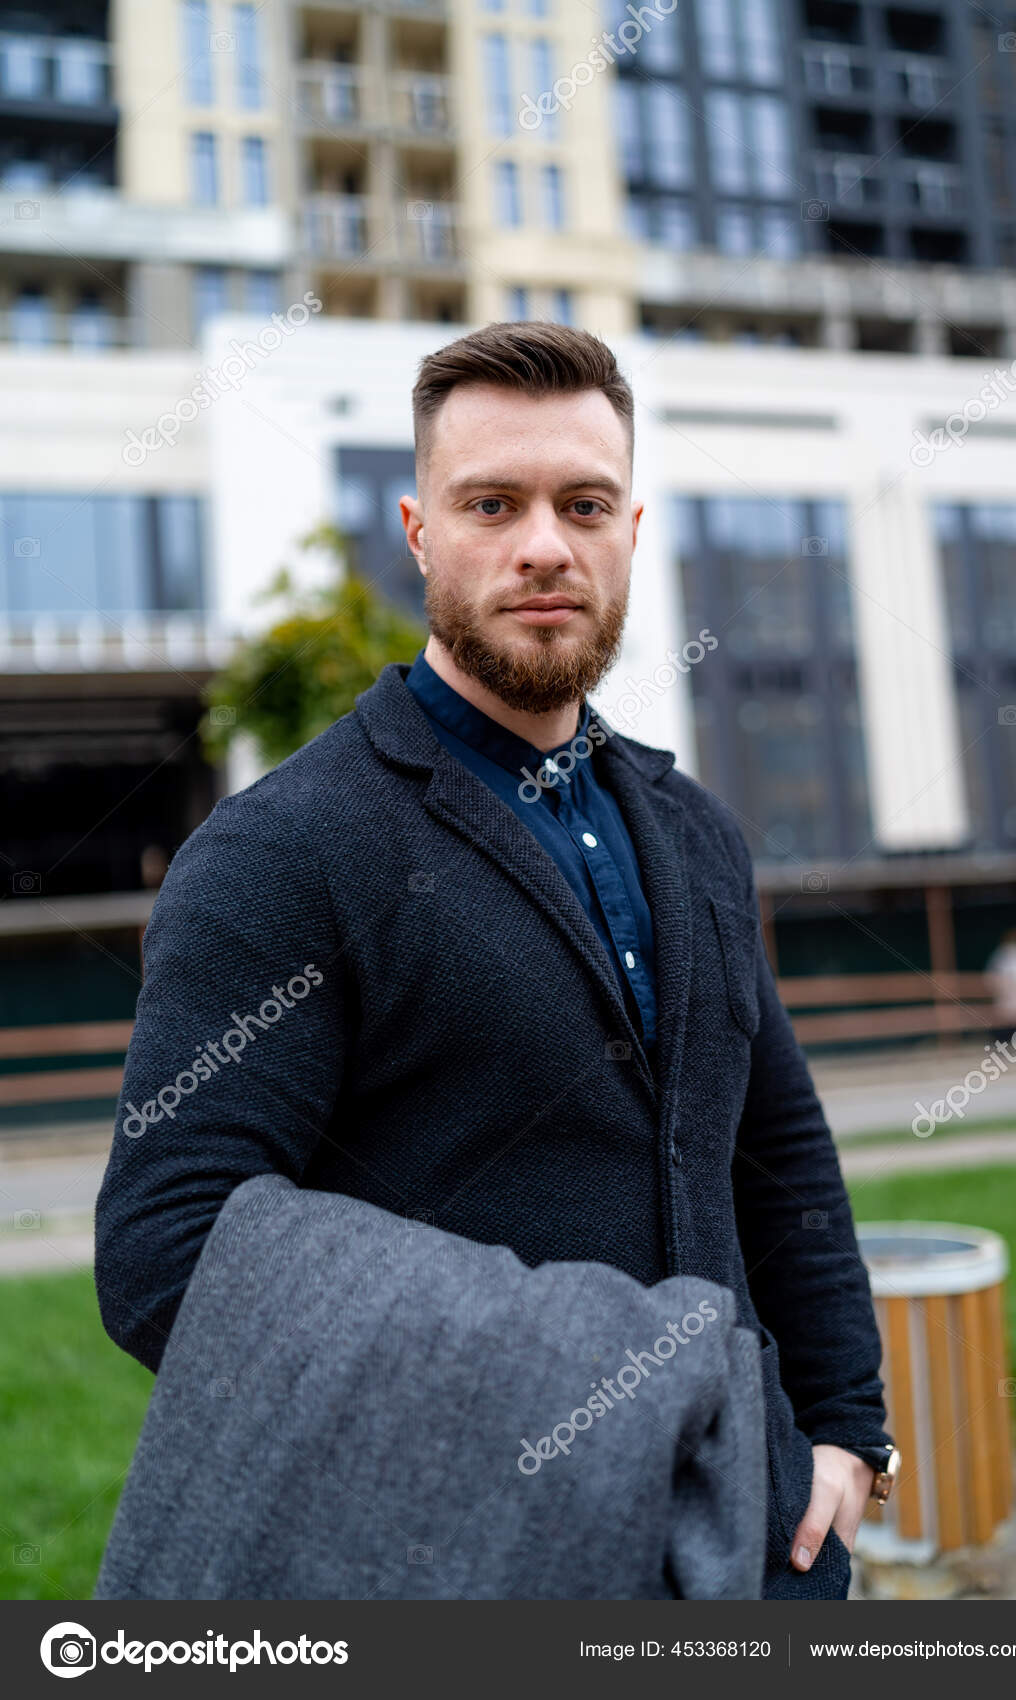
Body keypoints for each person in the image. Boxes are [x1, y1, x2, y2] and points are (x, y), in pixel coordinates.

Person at [94, 322, 894, 1601]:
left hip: (756, 1535)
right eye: (491, 502)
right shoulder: (282, 850)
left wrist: (850, 1426)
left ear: (630, 528)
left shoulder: (695, 834)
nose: (542, 544)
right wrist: (587, 1392)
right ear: (418, 530)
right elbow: (166, 1251)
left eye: (582, 504)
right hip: (470, 1560)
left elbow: (775, 1148)